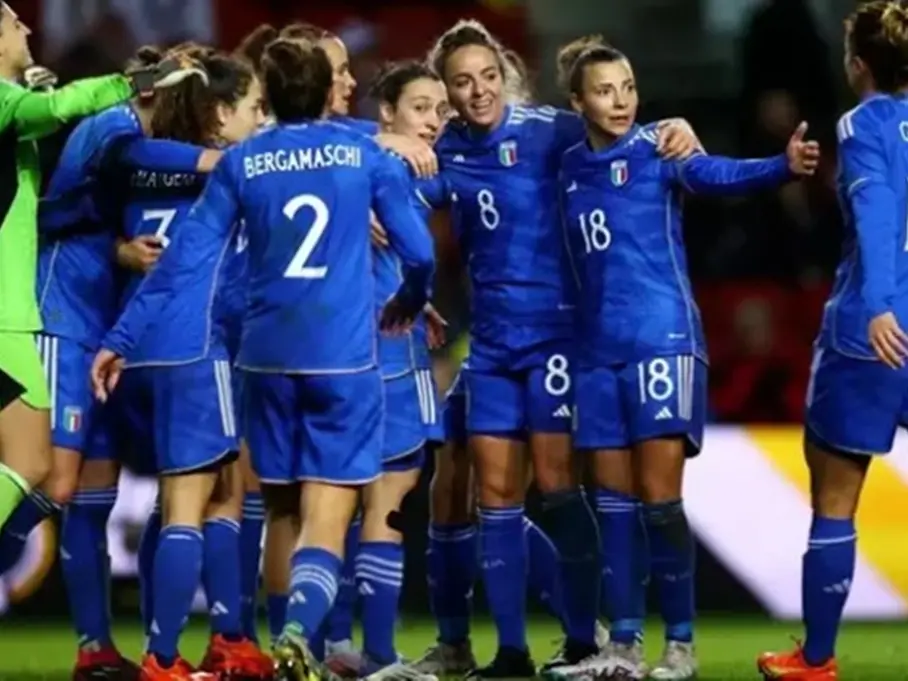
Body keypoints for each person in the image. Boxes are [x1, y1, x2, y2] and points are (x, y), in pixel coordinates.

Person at [91, 36, 435, 681]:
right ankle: (299, 636)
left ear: (271, 96)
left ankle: (274, 639)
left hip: (264, 361)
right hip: (342, 359)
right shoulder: (364, 156)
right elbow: (419, 253)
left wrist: (120, 339)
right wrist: (412, 299)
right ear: (324, 89)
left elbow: (181, 263)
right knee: (328, 515)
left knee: (279, 510)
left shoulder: (243, 162)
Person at [419, 20, 701, 680]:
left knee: (555, 484)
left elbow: (619, 123)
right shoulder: (447, 149)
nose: (479, 90)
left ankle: (585, 635)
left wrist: (675, 127)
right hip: (492, 343)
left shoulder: (551, 129)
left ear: (505, 75)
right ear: (448, 91)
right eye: (463, 81)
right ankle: (510, 651)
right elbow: (398, 188)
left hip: (559, 336)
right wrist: (394, 143)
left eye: (488, 76)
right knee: (495, 493)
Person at [561, 44, 819, 681]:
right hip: (594, 352)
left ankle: (679, 645)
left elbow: (716, 174)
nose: (621, 100)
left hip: (662, 340)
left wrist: (781, 167)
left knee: (659, 498)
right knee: (612, 502)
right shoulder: (563, 165)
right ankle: (623, 647)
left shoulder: (660, 148)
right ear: (577, 102)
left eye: (628, 86)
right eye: (604, 90)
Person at [0, 43, 218, 680]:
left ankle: (94, 647)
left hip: (103, 332)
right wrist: (219, 161)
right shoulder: (113, 125)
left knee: (92, 497)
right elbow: (84, 192)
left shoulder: (136, 134)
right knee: (55, 483)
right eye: (191, 93)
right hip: (60, 318)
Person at [91, 49, 268, 681]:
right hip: (195, 346)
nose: (261, 121)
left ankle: (220, 642)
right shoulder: (230, 174)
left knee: (191, 499)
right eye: (254, 108)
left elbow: (104, 182)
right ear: (218, 113)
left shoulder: (136, 161)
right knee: (204, 502)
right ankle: (166, 656)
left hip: (137, 347)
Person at [0, 0, 203, 545]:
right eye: (14, 22)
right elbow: (67, 125)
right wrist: (138, 83)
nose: (26, 27)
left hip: (53, 317)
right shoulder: (108, 125)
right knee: (47, 472)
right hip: (34, 314)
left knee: (46, 470)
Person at [757, 3, 908, 679]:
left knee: (836, 500)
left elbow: (876, 214)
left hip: (870, 334)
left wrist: (878, 306)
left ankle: (815, 659)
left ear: (858, 65)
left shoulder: (862, 124)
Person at [318, 60, 448, 681]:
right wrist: (380, 141)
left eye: (441, 110)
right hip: (376, 353)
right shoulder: (359, 155)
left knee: (358, 503)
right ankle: (372, 652)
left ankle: (340, 645)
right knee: (372, 503)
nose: (434, 121)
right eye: (420, 108)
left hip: (371, 346)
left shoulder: (422, 167)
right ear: (388, 112)